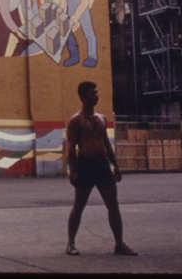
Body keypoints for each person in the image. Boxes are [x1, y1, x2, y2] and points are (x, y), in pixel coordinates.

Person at [65, 81, 136, 257]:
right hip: (85, 165)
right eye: (92, 93)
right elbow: (71, 148)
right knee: (79, 206)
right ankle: (70, 244)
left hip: (102, 165)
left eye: (96, 92)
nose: (96, 96)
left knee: (113, 205)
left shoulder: (102, 118)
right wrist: (73, 171)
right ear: (82, 97)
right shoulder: (75, 121)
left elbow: (106, 143)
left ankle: (119, 244)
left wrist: (116, 165)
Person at [56, 0, 97, 68]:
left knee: (89, 34)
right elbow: (63, 1)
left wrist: (75, 18)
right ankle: (74, 56)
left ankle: (92, 57)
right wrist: (59, 13)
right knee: (66, 32)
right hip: (69, 12)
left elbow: (85, 1)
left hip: (82, 12)